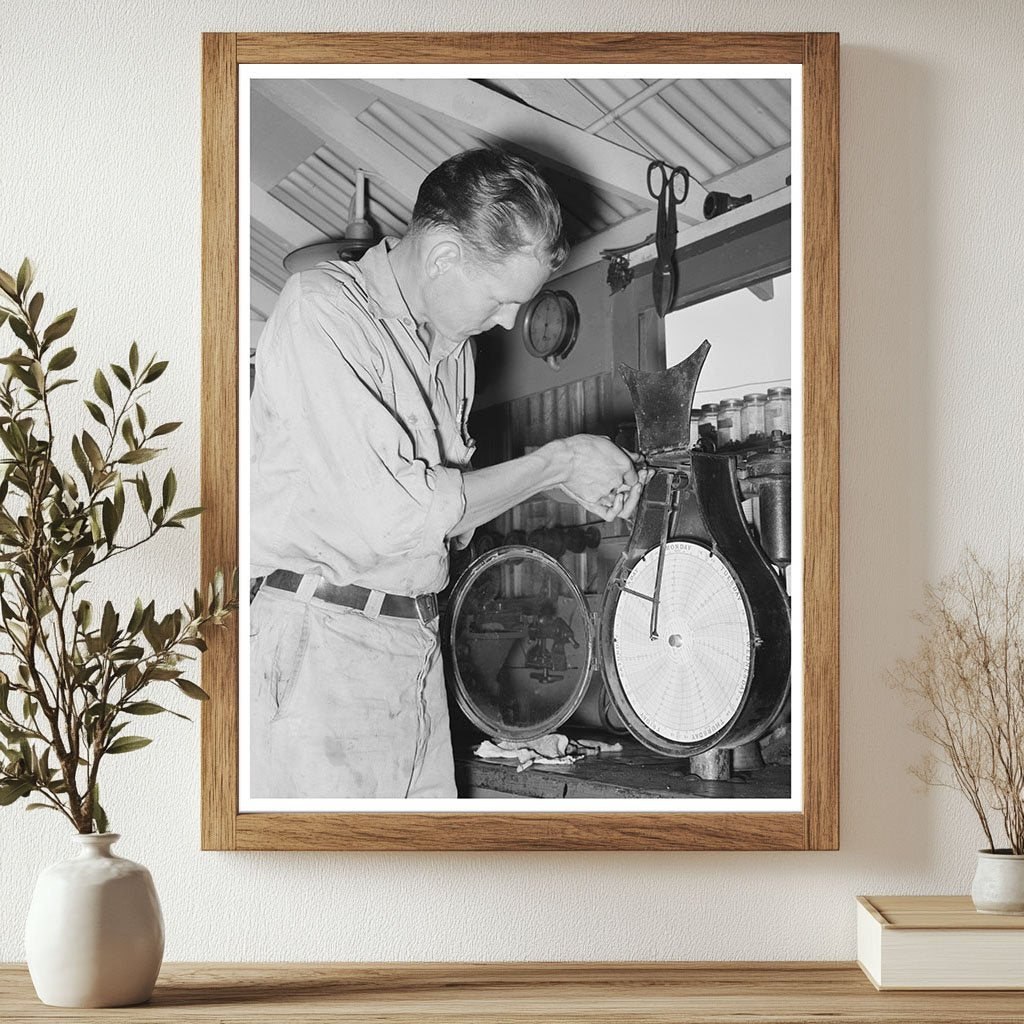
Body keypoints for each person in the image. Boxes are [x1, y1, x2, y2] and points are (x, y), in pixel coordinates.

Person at [249, 147, 642, 799]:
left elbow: (446, 528)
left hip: (413, 647)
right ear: (441, 255)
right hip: (323, 645)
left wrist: (566, 482)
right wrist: (558, 462)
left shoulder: (453, 351)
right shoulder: (322, 309)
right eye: (500, 298)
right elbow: (394, 516)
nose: (510, 321)